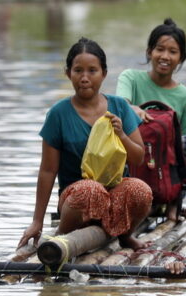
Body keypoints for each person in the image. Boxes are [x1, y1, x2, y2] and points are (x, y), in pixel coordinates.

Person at [18, 37, 153, 251]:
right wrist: (37, 221)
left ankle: (125, 235)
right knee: (92, 190)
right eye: (78, 70)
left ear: (104, 74)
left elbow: (138, 157)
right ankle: (62, 238)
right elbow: (47, 170)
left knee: (140, 190)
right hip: (77, 199)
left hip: (114, 194)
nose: (84, 78)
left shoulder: (119, 107)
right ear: (68, 74)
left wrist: (122, 135)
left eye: (92, 71)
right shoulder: (58, 114)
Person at [116, 18, 186, 220]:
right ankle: (131, 200)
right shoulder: (131, 79)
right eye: (160, 49)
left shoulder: (185, 97)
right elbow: (120, 106)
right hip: (133, 167)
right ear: (149, 52)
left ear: (181, 58)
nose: (165, 56)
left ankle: (172, 205)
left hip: (166, 177)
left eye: (173, 52)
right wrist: (132, 108)